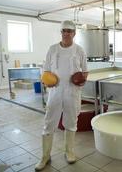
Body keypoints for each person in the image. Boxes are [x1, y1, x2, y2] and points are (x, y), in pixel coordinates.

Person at [35, 20, 88, 171]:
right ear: (61, 32)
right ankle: (45, 156)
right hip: (55, 92)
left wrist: (82, 81)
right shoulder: (52, 49)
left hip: (72, 92)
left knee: (71, 121)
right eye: (64, 30)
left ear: (74, 33)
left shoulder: (79, 50)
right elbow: (46, 71)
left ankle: (69, 152)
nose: (66, 33)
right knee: (49, 122)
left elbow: (85, 71)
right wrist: (47, 81)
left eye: (69, 31)